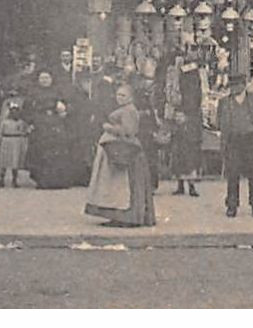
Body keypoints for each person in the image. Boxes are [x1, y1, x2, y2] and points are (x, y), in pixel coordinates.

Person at [84, 82, 155, 227]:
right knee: (115, 184)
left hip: (123, 149)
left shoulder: (129, 110)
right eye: (118, 95)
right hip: (116, 149)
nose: (119, 98)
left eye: (123, 95)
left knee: (122, 184)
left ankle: (125, 216)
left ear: (131, 97)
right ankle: (118, 215)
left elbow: (129, 132)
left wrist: (109, 128)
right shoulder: (125, 109)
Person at [216, 74, 253, 217]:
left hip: (251, 140)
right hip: (233, 141)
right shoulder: (224, 102)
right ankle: (232, 205)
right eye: (232, 86)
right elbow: (219, 122)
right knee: (233, 174)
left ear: (244, 85)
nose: (234, 89)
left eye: (237, 85)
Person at [170, 57, 203, 197]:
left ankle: (185, 185)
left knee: (184, 151)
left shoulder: (186, 77)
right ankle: (187, 185)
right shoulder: (193, 77)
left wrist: (181, 113)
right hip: (190, 118)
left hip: (186, 118)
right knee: (186, 151)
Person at [0, 98, 29, 187]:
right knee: (4, 161)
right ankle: (1, 179)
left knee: (15, 161)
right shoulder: (5, 122)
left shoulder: (21, 123)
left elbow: (24, 132)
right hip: (6, 140)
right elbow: (0, 133)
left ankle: (14, 180)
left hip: (16, 141)